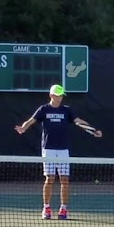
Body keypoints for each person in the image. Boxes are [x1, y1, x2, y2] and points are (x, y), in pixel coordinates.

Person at [14, 84, 102, 219]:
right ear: (51, 95)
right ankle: (46, 208)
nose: (59, 98)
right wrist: (23, 128)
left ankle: (63, 209)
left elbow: (78, 121)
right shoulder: (43, 109)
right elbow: (31, 121)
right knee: (49, 179)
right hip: (48, 149)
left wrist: (93, 130)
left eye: (61, 95)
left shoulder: (67, 110)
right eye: (57, 95)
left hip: (63, 150)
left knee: (65, 180)